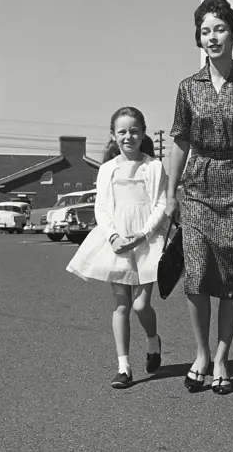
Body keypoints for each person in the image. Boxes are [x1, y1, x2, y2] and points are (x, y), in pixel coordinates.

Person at [167, 0, 233, 396]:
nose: (212, 36)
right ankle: (201, 353)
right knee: (197, 276)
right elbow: (180, 143)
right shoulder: (188, 88)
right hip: (198, 186)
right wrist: (170, 194)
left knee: (232, 280)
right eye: (205, 31)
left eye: (219, 28)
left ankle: (223, 357)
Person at [67, 107, 168, 389]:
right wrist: (112, 237)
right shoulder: (107, 169)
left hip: (147, 241)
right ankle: (123, 367)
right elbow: (102, 207)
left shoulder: (154, 166)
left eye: (134, 130)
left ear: (143, 132)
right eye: (122, 131)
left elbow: (161, 204)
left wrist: (143, 234)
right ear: (113, 135)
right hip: (117, 241)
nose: (128, 136)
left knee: (141, 304)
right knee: (121, 304)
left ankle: (152, 342)